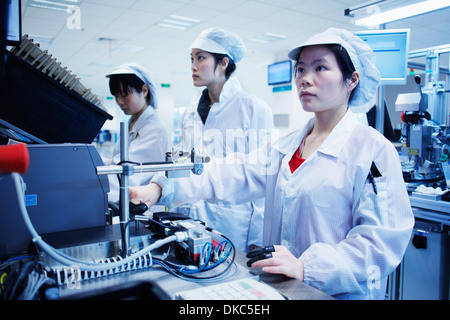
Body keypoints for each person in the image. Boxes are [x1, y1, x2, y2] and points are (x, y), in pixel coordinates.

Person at [129, 28, 414, 299]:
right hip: (280, 289)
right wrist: (161, 187)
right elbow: (232, 172)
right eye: (301, 68)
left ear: (352, 80)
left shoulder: (372, 150)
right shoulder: (287, 146)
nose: (304, 78)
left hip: (332, 294)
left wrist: (308, 267)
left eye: (320, 68)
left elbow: (380, 244)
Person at [171, 27, 274, 252]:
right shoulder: (190, 111)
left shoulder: (253, 108)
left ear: (224, 62)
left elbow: (264, 175)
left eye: (201, 58)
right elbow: (181, 161)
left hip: (232, 221)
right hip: (190, 216)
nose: (193, 65)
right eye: (191, 58)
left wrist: (259, 237)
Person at [104, 63, 168, 208]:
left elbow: (129, 169)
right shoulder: (130, 123)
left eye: (125, 94)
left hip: (142, 206)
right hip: (125, 202)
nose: (119, 101)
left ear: (144, 90)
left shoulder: (154, 127)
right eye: (116, 95)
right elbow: (117, 161)